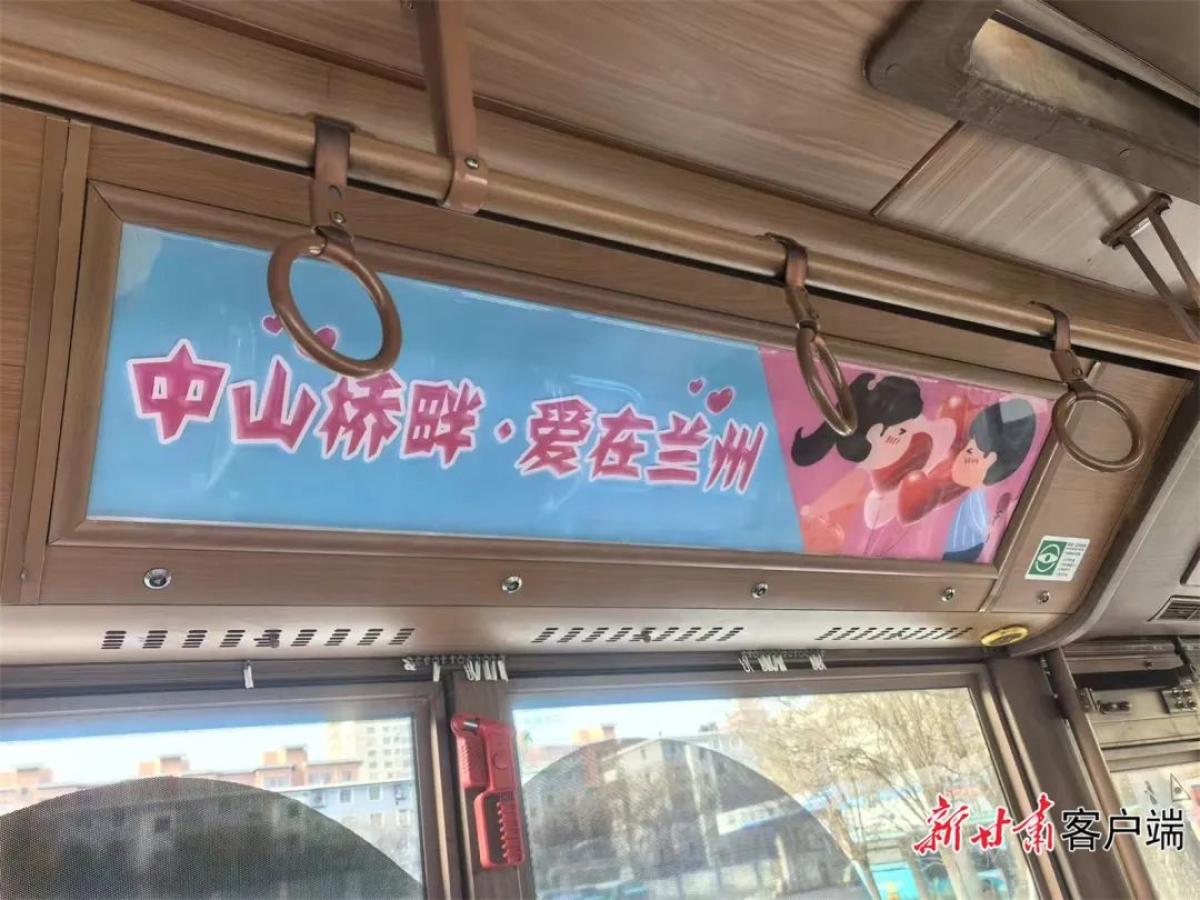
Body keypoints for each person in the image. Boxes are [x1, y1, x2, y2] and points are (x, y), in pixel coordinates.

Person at [938, 399, 1037, 562]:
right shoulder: (973, 496)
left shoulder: (976, 497)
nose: (961, 455)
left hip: (962, 552)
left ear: (990, 460)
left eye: (970, 451)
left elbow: (979, 524)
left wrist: (987, 529)